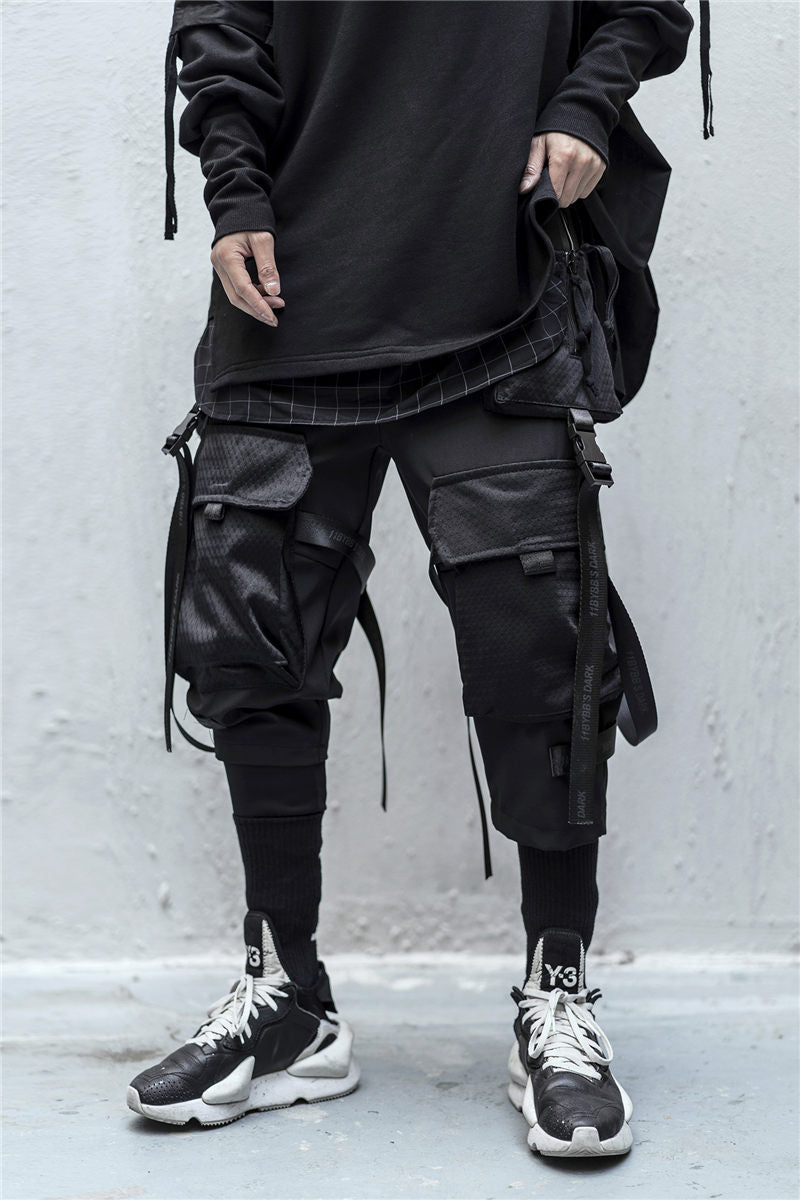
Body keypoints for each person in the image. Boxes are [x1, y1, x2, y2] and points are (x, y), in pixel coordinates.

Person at [128, 0, 710, 1158]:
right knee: (249, 637)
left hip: (497, 278)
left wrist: (586, 103)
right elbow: (221, 24)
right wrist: (235, 193)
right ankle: (287, 998)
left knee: (539, 640)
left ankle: (556, 988)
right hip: (291, 284)